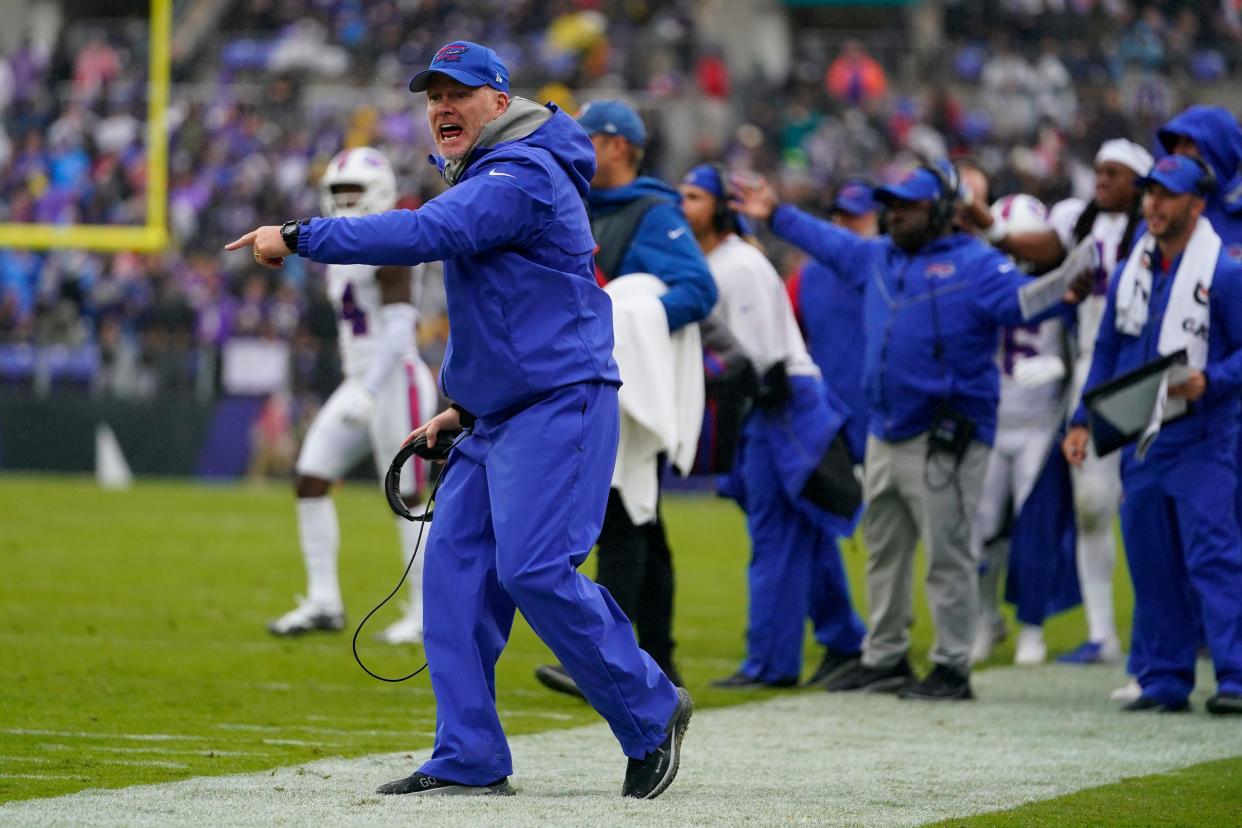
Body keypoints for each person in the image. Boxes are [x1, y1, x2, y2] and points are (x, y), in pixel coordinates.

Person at [226, 40, 692, 799]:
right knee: (452, 578)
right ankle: (470, 754)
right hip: (500, 412)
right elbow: (510, 313)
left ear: (500, 103)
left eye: (460, 93)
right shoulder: (502, 171)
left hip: (559, 401)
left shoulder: (521, 174)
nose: (442, 106)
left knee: (535, 569)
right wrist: (460, 408)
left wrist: (304, 233)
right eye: (433, 95)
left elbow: (421, 235)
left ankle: (652, 706)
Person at [731, 162, 1090, 701]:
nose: (895, 214)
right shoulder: (879, 256)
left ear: (944, 210)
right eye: (891, 204)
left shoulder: (976, 264)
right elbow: (827, 240)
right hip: (885, 430)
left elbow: (1024, 302)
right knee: (884, 548)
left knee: (947, 553)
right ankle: (885, 657)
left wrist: (1069, 283)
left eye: (910, 205)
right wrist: (777, 213)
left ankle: (951, 664)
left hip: (946, 434)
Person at [534, 100, 717, 696]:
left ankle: (604, 656)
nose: (577, 142)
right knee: (639, 519)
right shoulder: (579, 203)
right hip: (588, 376)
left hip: (629, 385)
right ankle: (658, 659)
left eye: (589, 133)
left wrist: (625, 320)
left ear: (618, 145)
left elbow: (697, 289)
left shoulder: (652, 212)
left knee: (619, 514)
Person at [1062, 155, 1242, 716]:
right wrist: (1081, 420)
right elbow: (1108, 350)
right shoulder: (1129, 269)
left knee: (1213, 557)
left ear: (1197, 203)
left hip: (1204, 437)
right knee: (1150, 558)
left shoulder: (1227, 272)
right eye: (1150, 194)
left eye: (1167, 195)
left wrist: (1210, 379)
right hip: (1142, 437)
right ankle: (1164, 676)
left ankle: (1235, 676)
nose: (1153, 205)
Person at [966, 139, 1152, 669]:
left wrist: (1062, 368)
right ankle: (1100, 634)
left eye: (1114, 172)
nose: (1101, 180)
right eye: (1097, 170)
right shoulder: (1079, 224)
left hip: (1134, 375)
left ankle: (1169, 632)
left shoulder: (1152, 228)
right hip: (1080, 386)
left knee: (1147, 507)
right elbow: (1043, 252)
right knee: (1088, 506)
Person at [679, 164, 863, 689]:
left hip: (781, 400)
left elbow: (760, 360)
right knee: (804, 531)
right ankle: (845, 639)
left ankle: (772, 662)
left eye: (693, 197)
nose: (683, 206)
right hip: (773, 399)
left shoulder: (736, 264)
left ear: (720, 208)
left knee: (776, 532)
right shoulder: (721, 261)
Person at [265, 147, 437, 645]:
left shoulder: (390, 239)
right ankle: (324, 601)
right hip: (359, 380)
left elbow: (402, 324)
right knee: (311, 477)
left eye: (352, 192)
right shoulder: (341, 242)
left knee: (407, 497)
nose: (343, 201)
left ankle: (426, 612)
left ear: (378, 192)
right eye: (337, 192)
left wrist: (369, 387)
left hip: (394, 379)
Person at [784, 177, 877, 686]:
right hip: (827, 422)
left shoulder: (886, 269)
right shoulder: (807, 277)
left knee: (899, 539)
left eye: (856, 216)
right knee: (821, 530)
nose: (846, 225)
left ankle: (883, 645)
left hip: (883, 418)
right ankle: (846, 637)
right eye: (839, 216)